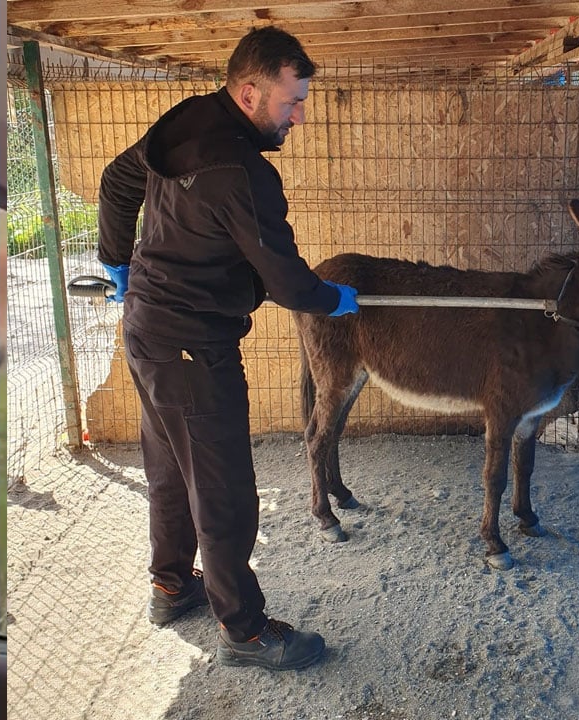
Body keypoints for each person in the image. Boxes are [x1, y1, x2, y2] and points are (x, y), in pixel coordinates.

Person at [96, 26, 358, 671]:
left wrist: (118, 263)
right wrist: (333, 300)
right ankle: (243, 630)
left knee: (168, 465)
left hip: (147, 327)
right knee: (225, 489)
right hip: (190, 343)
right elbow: (286, 280)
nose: (299, 115)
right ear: (249, 92)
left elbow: (116, 181)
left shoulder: (184, 124)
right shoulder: (242, 171)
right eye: (290, 102)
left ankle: (170, 584)